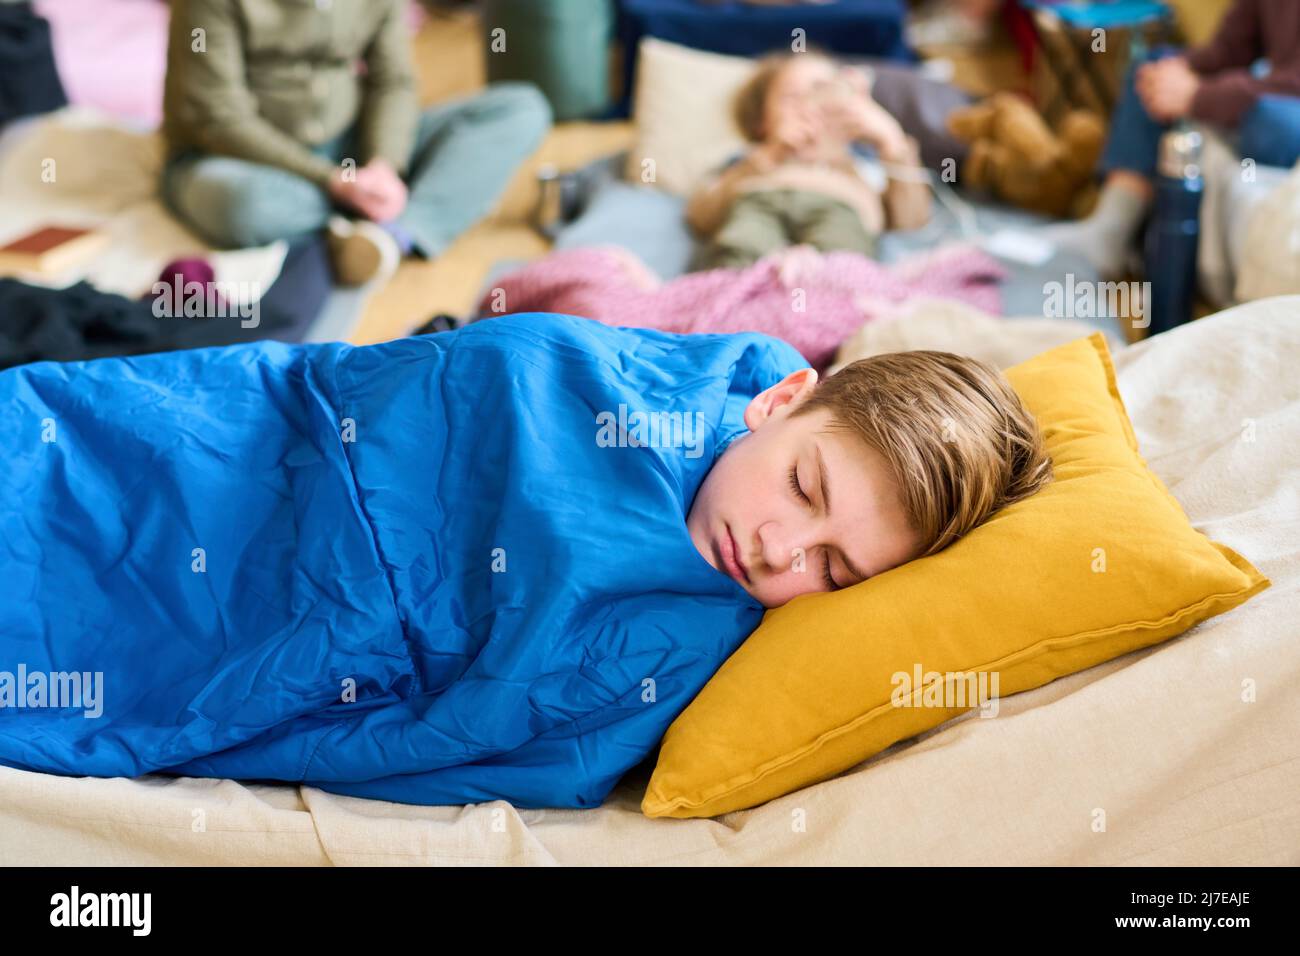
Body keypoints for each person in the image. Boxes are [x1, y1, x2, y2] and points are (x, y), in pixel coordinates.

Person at [0, 314, 1050, 806]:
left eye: (833, 570)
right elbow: (438, 382)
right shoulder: (623, 376)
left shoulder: (687, 631)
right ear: (781, 399)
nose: (779, 551)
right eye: (804, 489)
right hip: (248, 445)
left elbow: (498, 743)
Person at [160, 0, 552, 285]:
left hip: (349, 149)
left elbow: (393, 82)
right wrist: (331, 179)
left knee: (521, 109)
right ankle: (358, 222)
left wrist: (385, 164)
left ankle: (398, 233)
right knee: (243, 204)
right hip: (237, 161)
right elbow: (219, 118)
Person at [1042, 0, 1300, 279]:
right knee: (1155, 65)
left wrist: (1198, 95)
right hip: (1270, 96)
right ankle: (1110, 228)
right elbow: (1230, 50)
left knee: (1268, 121)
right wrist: (1179, 69)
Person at [686, 50, 932, 270]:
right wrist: (769, 155)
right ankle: (732, 300)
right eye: (791, 98)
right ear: (761, 121)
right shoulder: (749, 159)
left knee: (843, 255)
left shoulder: (863, 167)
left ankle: (829, 303)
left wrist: (891, 140)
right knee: (741, 244)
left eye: (822, 94)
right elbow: (702, 217)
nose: (808, 108)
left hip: (840, 209)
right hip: (759, 202)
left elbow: (910, 223)